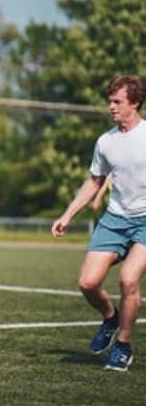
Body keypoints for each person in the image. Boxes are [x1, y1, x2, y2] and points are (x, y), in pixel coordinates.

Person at [51, 74, 146, 372]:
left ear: (135, 102)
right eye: (110, 101)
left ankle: (122, 346)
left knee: (128, 280)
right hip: (115, 219)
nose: (111, 107)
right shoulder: (105, 142)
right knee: (87, 282)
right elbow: (94, 182)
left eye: (117, 101)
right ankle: (109, 316)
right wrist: (68, 215)